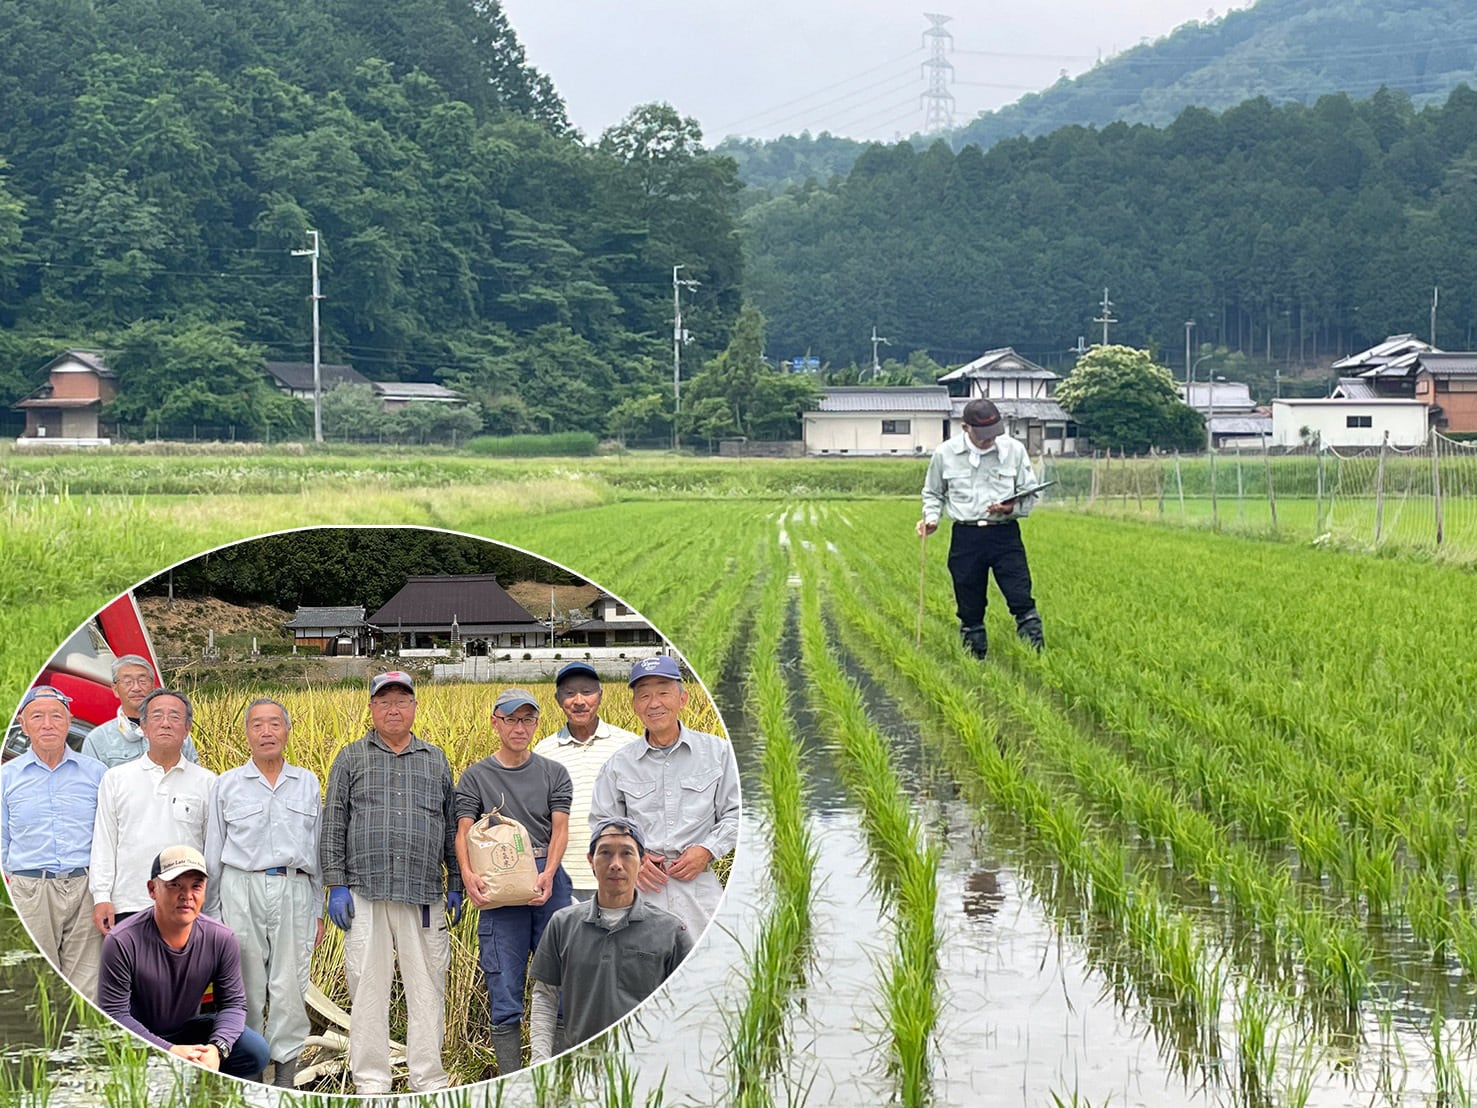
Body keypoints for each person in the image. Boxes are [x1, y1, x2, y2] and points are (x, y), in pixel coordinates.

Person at [320, 670, 462, 1095]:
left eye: (402, 700)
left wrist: (455, 879)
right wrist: (336, 883)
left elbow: (450, 823)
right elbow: (334, 822)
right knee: (366, 987)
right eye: (384, 701)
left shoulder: (435, 759)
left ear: (415, 707)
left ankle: (428, 1079)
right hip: (364, 891)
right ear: (371, 708)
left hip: (422, 892)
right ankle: (371, 1082)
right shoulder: (350, 757)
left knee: (427, 987)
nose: (394, 708)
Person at [204, 698, 324, 1090]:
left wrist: (319, 910)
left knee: (290, 987)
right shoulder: (226, 784)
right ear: (247, 734)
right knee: (245, 988)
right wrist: (214, 913)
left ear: (287, 731)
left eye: (275, 724)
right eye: (258, 725)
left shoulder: (306, 781)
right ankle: (250, 1077)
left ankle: (286, 1080)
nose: (267, 731)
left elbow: (318, 849)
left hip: (294, 888)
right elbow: (213, 852)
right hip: (242, 887)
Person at [454, 687, 573, 1076]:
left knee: (559, 975)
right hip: (499, 886)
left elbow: (560, 829)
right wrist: (468, 876)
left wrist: (549, 874)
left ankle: (550, 1069)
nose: (520, 727)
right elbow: (463, 832)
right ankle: (510, 1077)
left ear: (537, 723)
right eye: (511, 719)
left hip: (546, 880)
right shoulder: (475, 777)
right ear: (495, 723)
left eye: (528, 719)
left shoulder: (553, 773)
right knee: (503, 980)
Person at [588, 656, 740, 935]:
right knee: (642, 974)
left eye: (663, 692)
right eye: (644, 695)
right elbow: (603, 825)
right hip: (640, 890)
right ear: (635, 706)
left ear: (683, 699)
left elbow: (738, 813)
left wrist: (707, 850)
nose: (654, 703)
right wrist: (635, 859)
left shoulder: (718, 754)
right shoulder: (617, 765)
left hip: (699, 888)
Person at [97, 844, 270, 1080]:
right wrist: (167, 1051)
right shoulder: (122, 941)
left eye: (196, 886)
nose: (186, 895)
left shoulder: (221, 938)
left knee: (255, 1051)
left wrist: (217, 1050)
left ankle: (204, 1085)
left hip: (187, 1031)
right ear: (152, 889)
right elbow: (114, 1014)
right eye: (174, 885)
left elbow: (233, 1005)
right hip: (135, 1037)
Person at [527, 818, 692, 1062]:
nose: (616, 864)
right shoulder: (563, 924)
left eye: (627, 853)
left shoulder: (671, 931)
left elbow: (689, 1006)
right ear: (591, 861)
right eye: (605, 853)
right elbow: (545, 996)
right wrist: (539, 1059)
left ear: (643, 862)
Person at [917, 397, 1045, 659]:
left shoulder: (1014, 450)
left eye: (994, 433)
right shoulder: (945, 453)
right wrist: (931, 519)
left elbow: (1029, 492)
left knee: (1020, 594)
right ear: (966, 428)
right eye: (983, 435)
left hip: (1004, 534)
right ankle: (975, 658)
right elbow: (933, 492)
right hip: (967, 536)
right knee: (969, 600)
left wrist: (1011, 508)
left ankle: (1036, 655)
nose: (990, 440)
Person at [1, 686, 107, 998]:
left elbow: (108, 833)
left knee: (87, 985)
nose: (48, 724)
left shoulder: (96, 773)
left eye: (56, 716)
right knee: (35, 980)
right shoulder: (7, 777)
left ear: (68, 720)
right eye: (38, 716)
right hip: (30, 890)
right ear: (23, 724)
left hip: (85, 888)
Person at [90, 689, 215, 936]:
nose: (166, 723)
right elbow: (105, 841)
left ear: (187, 728)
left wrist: (211, 908)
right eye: (157, 716)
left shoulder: (208, 782)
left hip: (187, 906)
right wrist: (101, 896)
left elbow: (212, 849)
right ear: (144, 727)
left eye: (175, 717)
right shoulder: (116, 779)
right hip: (129, 904)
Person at [535, 662, 640, 900]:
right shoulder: (544, 751)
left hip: (620, 875)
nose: (579, 701)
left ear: (600, 696)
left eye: (587, 692)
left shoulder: (628, 745)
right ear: (557, 699)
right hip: (562, 878)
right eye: (569, 693)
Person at [81, 654, 200, 768]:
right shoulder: (98, 739)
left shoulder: (175, 730)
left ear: (153, 686)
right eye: (128, 682)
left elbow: (194, 776)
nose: (136, 688)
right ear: (115, 689)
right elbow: (91, 785)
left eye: (143, 681)